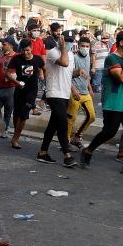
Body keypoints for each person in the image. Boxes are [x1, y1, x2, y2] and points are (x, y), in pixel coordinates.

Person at [80, 30, 123, 175]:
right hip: (113, 102)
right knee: (109, 131)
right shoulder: (112, 59)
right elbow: (121, 78)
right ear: (121, 43)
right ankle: (88, 150)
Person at [37, 23, 77, 167]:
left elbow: (68, 73)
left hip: (65, 93)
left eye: (71, 41)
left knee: (53, 125)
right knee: (62, 123)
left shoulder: (71, 54)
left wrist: (74, 88)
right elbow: (64, 63)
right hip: (54, 93)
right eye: (67, 41)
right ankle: (67, 155)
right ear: (61, 39)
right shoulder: (53, 52)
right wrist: (63, 48)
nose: (69, 44)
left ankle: (42, 152)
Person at [7, 38, 44, 149]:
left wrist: (42, 75)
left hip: (31, 92)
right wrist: (16, 82)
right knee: (17, 114)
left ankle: (15, 139)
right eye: (23, 50)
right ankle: (15, 134)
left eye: (27, 50)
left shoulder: (37, 59)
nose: (25, 53)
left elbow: (44, 68)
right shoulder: (16, 59)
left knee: (23, 116)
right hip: (19, 91)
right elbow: (8, 73)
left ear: (31, 48)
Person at [67, 36, 95, 148]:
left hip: (85, 92)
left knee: (92, 116)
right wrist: (73, 90)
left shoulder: (88, 57)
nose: (85, 48)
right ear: (78, 46)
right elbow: (67, 75)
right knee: (71, 118)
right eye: (83, 46)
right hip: (75, 91)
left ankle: (77, 136)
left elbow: (86, 75)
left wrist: (90, 88)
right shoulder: (73, 58)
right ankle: (66, 141)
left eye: (87, 46)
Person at [0, 38, 17, 138]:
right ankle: (0, 126)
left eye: (4, 44)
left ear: (11, 45)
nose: (2, 46)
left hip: (11, 88)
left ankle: (5, 129)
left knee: (8, 111)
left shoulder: (17, 57)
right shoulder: (0, 56)